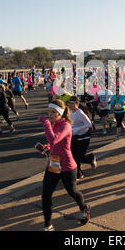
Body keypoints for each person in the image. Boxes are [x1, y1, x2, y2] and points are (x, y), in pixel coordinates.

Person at [36, 99, 91, 231]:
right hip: (53, 164)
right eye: (49, 112)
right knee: (46, 194)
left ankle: (84, 208)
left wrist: (46, 123)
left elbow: (54, 139)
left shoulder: (66, 125)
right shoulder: (55, 124)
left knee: (72, 192)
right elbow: (53, 143)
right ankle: (48, 224)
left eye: (54, 112)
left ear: (60, 113)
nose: (51, 115)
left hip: (67, 166)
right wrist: (46, 147)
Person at [68, 96, 97, 181]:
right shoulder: (70, 112)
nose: (71, 105)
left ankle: (91, 158)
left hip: (84, 137)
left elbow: (89, 124)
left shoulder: (80, 112)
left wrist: (76, 129)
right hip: (75, 136)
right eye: (69, 104)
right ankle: (78, 173)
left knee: (80, 156)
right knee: (74, 156)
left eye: (72, 104)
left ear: (77, 104)